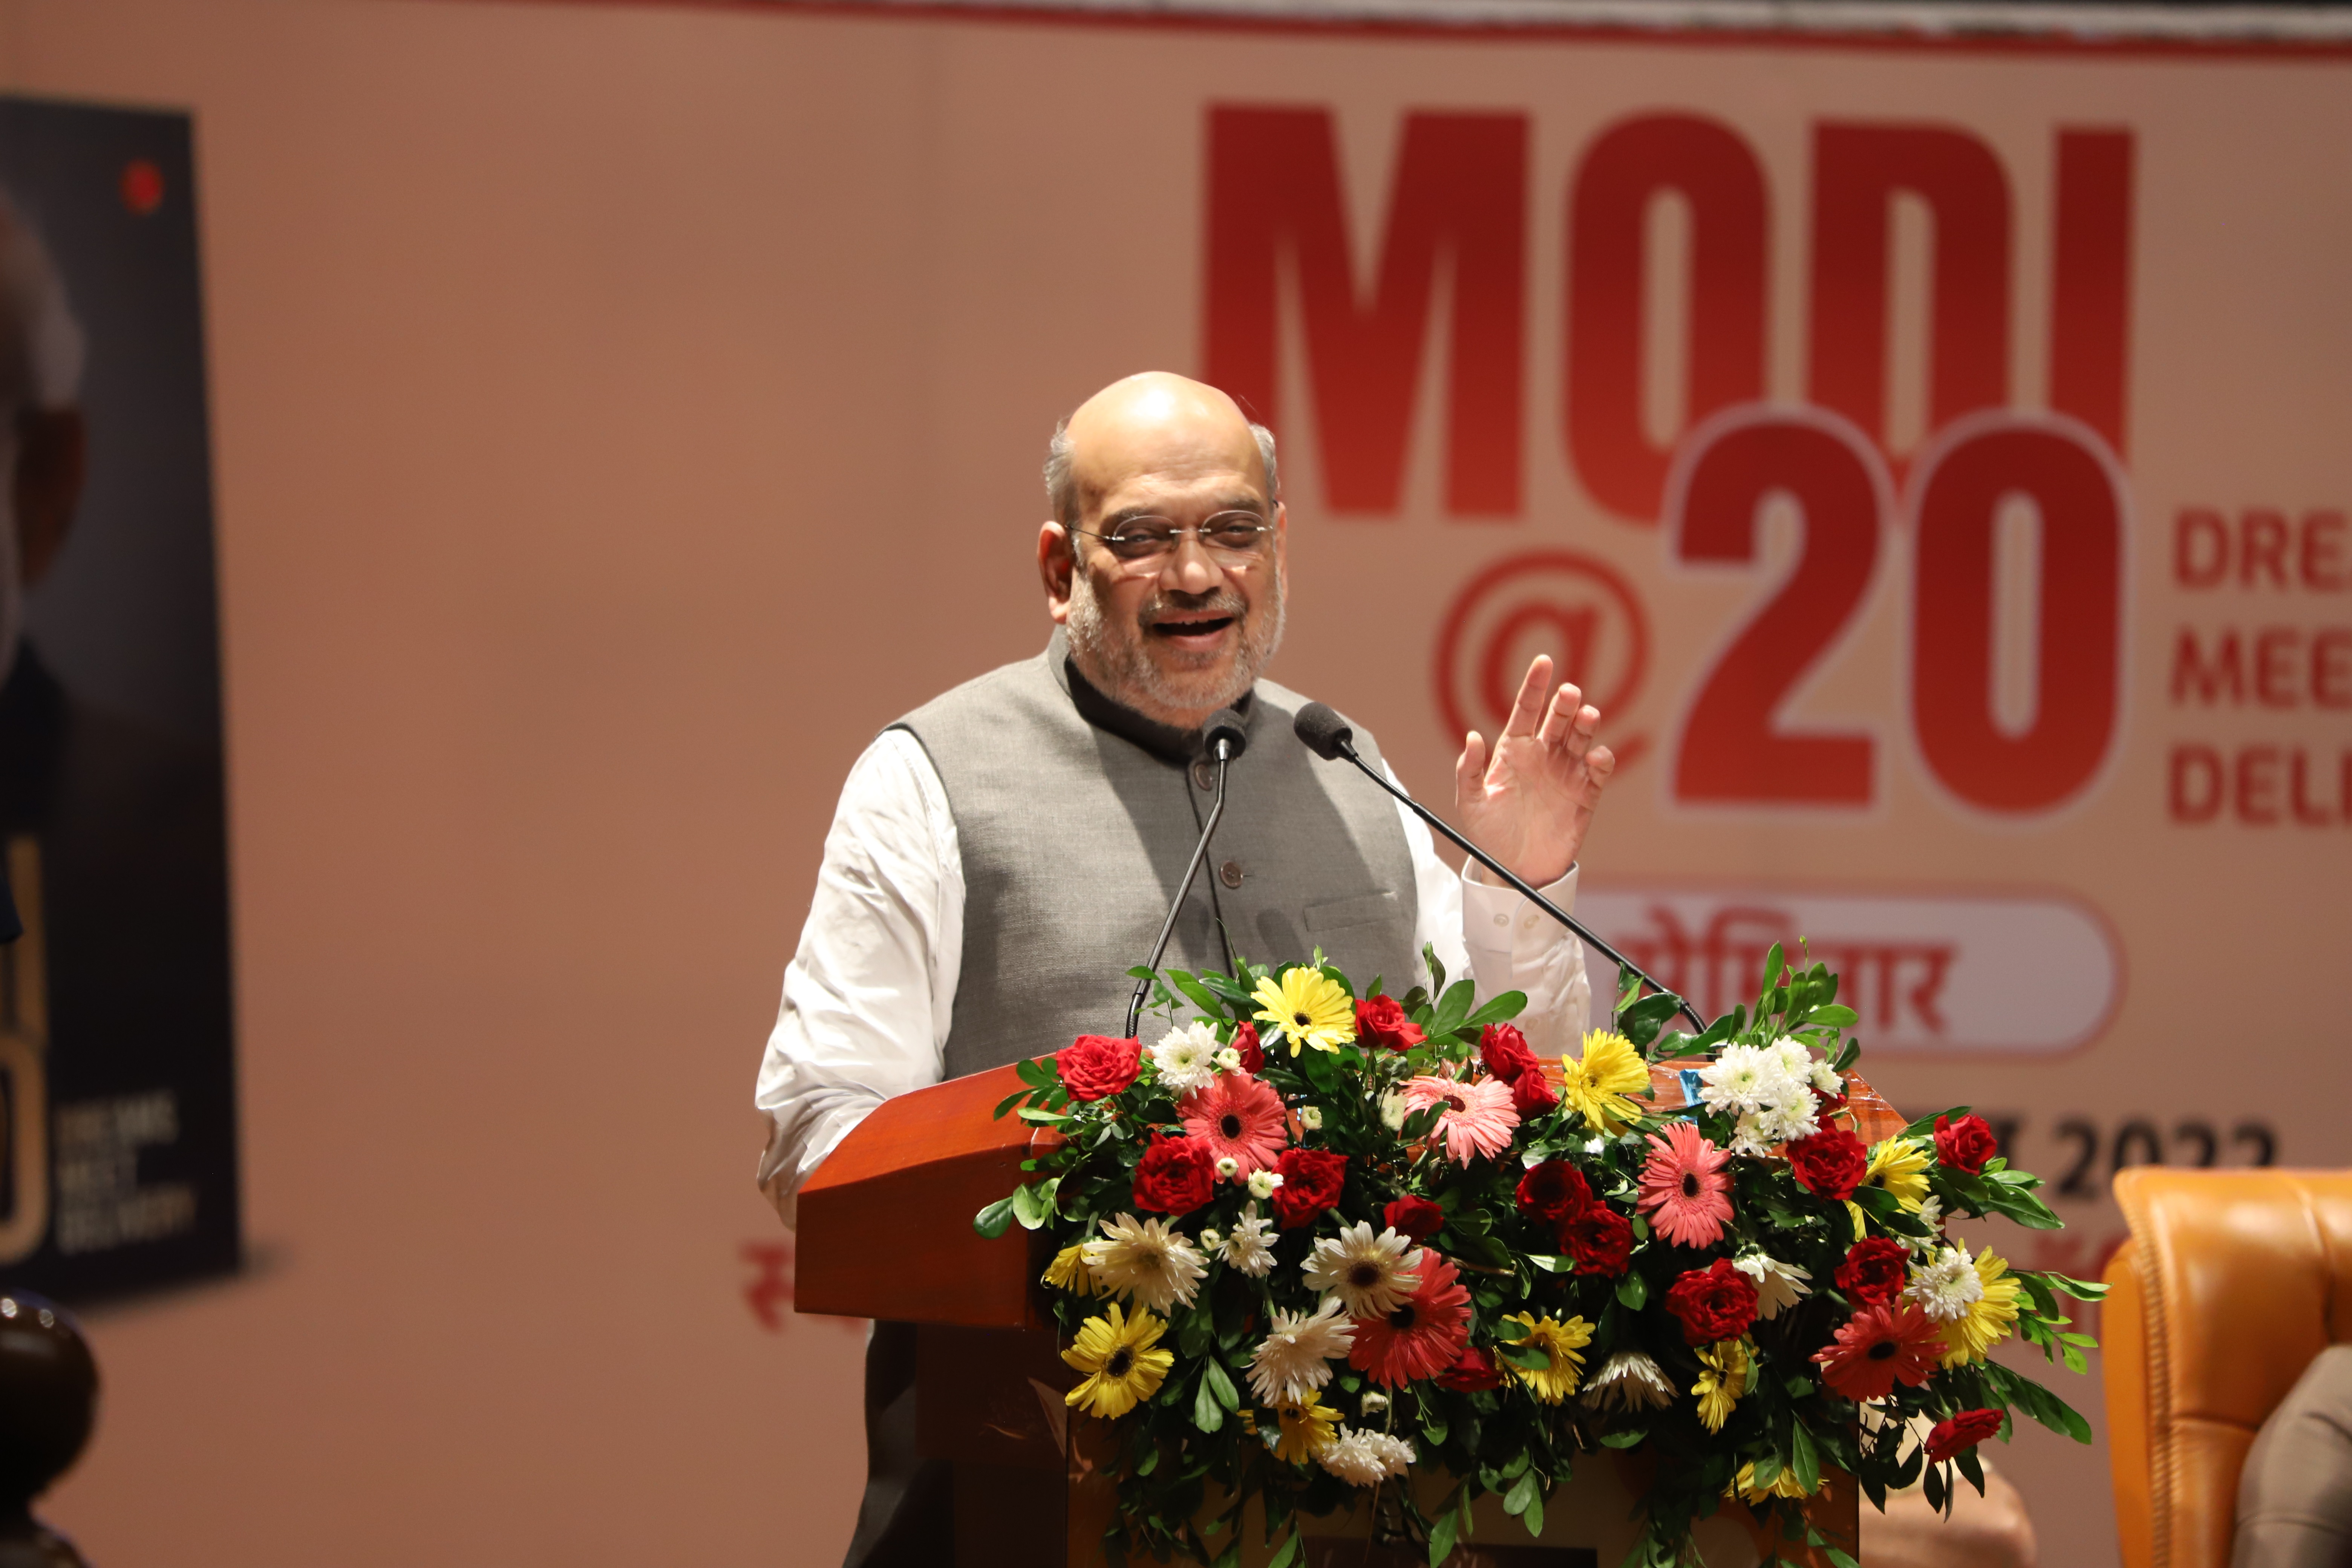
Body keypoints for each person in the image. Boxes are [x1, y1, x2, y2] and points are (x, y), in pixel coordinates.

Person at [753, 371, 1619, 1566]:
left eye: (1231, 530)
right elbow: (823, 1142)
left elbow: (1516, 1114)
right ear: (1061, 571)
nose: (1198, 575)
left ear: (1278, 545)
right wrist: (1079, 1200)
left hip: (1349, 1485)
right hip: (1025, 1475)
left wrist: (1518, 884)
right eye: (1143, 540)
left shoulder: (1348, 767)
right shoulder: (928, 779)